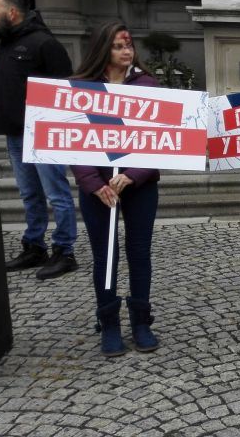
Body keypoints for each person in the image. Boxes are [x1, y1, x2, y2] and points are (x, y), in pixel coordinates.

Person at [68, 22, 161, 356]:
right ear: (103, 50)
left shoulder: (147, 85)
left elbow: (161, 141)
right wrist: (94, 183)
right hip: (99, 190)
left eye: (129, 45)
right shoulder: (82, 89)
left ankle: (141, 321)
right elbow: (71, 140)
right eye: (119, 46)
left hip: (139, 186)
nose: (127, 51)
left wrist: (132, 175)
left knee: (139, 253)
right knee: (104, 256)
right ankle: (109, 323)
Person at [0, 0, 77, 279]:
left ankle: (64, 251)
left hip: (43, 133)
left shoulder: (43, 43)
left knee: (56, 193)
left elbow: (65, 89)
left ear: (12, 13)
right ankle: (34, 246)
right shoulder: (2, 43)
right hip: (14, 133)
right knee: (30, 195)